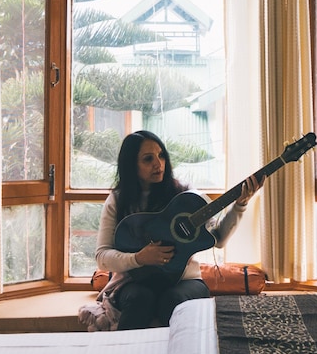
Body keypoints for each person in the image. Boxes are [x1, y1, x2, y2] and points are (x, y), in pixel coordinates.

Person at [95, 130, 263, 330]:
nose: (158, 164)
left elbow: (218, 239)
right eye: (148, 159)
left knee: (173, 300)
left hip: (185, 281)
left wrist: (240, 204)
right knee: (141, 299)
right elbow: (102, 255)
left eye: (161, 155)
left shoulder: (185, 197)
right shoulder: (118, 200)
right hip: (135, 281)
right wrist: (139, 258)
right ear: (131, 165)